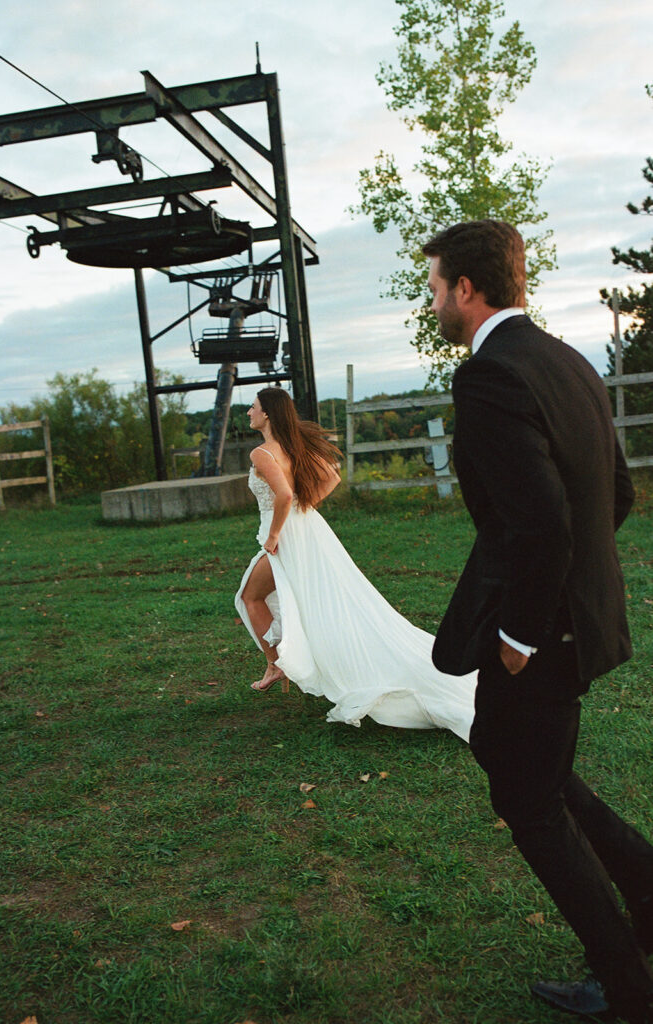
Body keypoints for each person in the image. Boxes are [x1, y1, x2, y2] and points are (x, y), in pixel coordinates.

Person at [423, 218, 653, 1023]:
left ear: (465, 288)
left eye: (434, 285)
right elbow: (615, 496)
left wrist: (523, 633)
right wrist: (572, 590)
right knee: (516, 761)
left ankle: (627, 989)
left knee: (529, 804)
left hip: (539, 636)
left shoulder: (488, 376)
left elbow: (543, 523)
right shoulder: (567, 360)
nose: (432, 300)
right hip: (577, 618)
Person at [234, 386, 476, 742]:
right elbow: (331, 477)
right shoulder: (293, 446)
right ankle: (285, 659)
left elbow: (284, 494)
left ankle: (277, 664)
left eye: (253, 407)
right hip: (305, 529)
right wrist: (305, 508)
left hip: (286, 536)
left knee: (250, 596)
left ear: (267, 413)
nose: (249, 413)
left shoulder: (262, 453)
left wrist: (274, 533)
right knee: (306, 600)